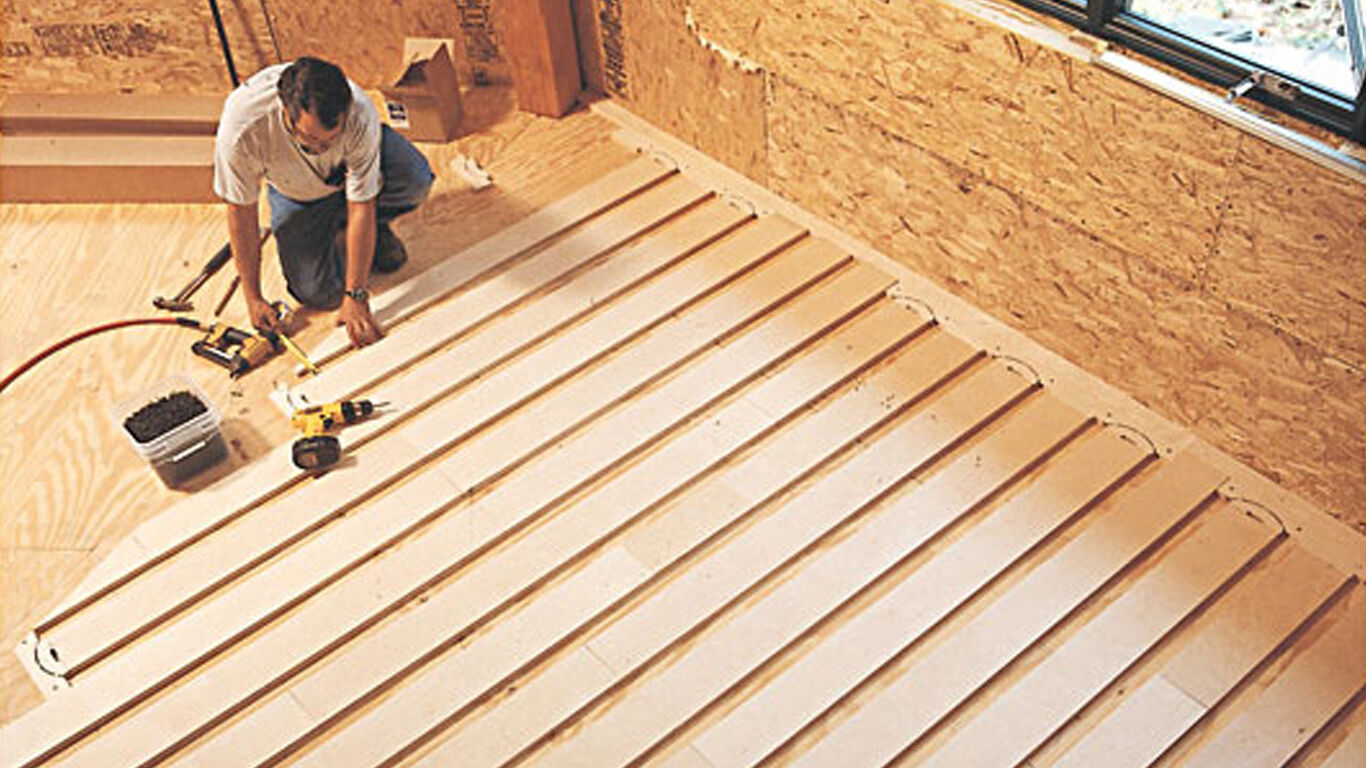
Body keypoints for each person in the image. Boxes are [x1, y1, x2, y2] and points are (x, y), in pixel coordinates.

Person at [213, 55, 434, 347]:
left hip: (347, 180)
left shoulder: (358, 113)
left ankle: (370, 233)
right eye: (311, 140)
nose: (322, 149)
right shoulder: (243, 128)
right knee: (317, 293)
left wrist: (356, 294)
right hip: (296, 193)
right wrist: (253, 297)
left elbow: (362, 205)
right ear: (286, 113)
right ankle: (341, 234)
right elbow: (241, 214)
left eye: (331, 140)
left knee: (414, 178)